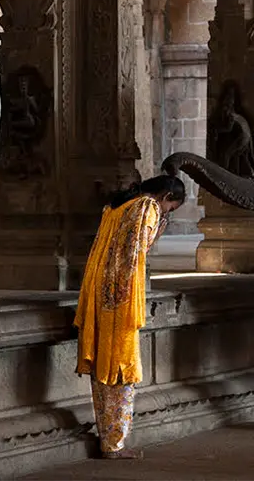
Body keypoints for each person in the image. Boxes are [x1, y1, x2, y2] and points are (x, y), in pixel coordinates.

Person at [74, 174, 186, 460]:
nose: (166, 213)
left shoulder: (115, 206)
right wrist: (159, 227)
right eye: (170, 208)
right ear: (165, 196)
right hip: (120, 294)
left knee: (104, 365)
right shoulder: (147, 207)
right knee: (121, 365)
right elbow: (137, 250)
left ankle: (108, 438)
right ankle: (114, 443)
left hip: (97, 288)